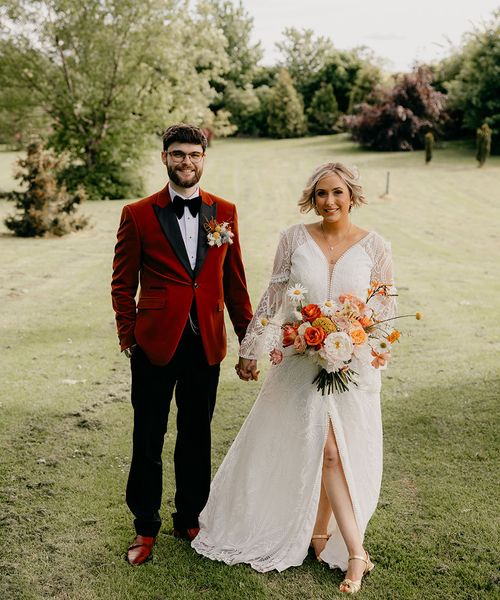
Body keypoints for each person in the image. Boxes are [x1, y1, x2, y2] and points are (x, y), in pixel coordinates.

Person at [192, 162, 396, 594]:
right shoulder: (294, 238)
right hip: (301, 359)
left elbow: (382, 307)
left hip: (351, 365)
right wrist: (251, 349)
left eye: (337, 192)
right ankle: (353, 552)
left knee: (336, 452)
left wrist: (357, 336)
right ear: (312, 198)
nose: (330, 201)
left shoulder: (376, 246)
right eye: (321, 194)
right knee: (324, 450)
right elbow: (273, 298)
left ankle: (330, 539)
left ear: (352, 195)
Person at [111, 123, 256, 566]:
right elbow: (122, 284)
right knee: (148, 436)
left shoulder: (224, 212)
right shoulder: (137, 213)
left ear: (203, 159)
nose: (186, 162)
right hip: (154, 344)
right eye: (178, 154)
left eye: (194, 155)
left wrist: (248, 337)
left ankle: (189, 517)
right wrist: (129, 335)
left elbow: (234, 283)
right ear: (164, 157)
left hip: (205, 344)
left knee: (197, 434)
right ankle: (145, 526)